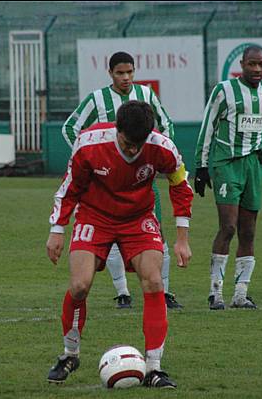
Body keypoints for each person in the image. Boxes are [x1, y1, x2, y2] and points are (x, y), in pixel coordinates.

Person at [46, 101, 193, 388]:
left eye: (138, 144)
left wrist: (182, 239)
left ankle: (154, 368)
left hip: (138, 218)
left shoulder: (162, 147)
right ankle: (70, 355)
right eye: (127, 143)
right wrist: (57, 229)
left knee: (153, 282)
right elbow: (69, 187)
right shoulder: (89, 142)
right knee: (79, 286)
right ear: (117, 129)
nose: (133, 150)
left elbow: (180, 184)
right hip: (94, 215)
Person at [62, 51, 183, 309]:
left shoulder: (147, 95)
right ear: (110, 73)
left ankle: (164, 291)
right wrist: (88, 158)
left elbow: (167, 124)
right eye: (120, 73)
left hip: (140, 178)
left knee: (155, 234)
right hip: (106, 179)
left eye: (129, 72)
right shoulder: (97, 98)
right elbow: (70, 127)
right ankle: (123, 292)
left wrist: (158, 152)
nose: (126, 78)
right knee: (111, 233)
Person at [194, 45, 262, 310]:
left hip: (253, 165)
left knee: (248, 231)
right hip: (226, 163)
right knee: (228, 227)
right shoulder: (224, 90)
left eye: (261, 65)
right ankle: (215, 292)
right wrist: (201, 166)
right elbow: (207, 126)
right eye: (251, 64)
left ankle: (241, 294)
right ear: (242, 64)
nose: (257, 70)